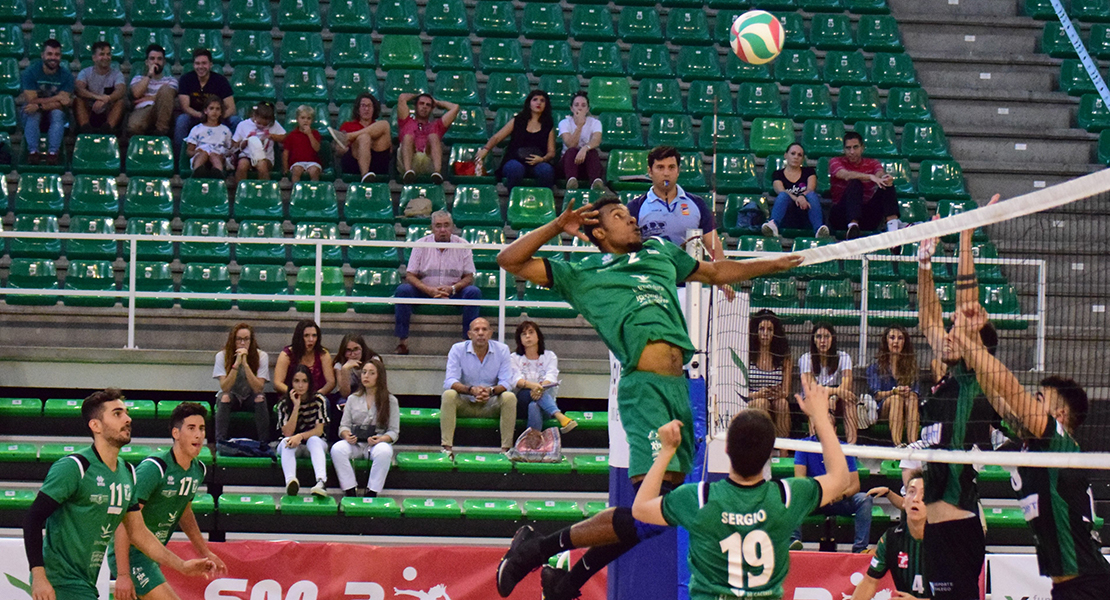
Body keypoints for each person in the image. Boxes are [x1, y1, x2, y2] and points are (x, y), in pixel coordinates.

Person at [494, 196, 801, 599]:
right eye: (620, 217)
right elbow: (508, 260)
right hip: (645, 391)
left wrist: (771, 265)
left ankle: (565, 579)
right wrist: (555, 225)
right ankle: (535, 553)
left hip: (679, 388)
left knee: (659, 514)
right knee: (651, 508)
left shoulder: (659, 252)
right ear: (598, 232)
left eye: (630, 213)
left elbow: (715, 270)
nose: (633, 221)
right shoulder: (581, 272)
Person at [631, 378, 850, 600]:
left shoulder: (699, 499)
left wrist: (666, 451)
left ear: (726, 448)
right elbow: (841, 479)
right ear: (769, 456)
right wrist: (821, 418)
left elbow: (640, 508)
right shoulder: (787, 497)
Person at [950, 307, 1110, 598]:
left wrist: (969, 341)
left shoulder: (1061, 445)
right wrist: (972, 342)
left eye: (1038, 399)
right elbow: (995, 393)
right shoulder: (1034, 445)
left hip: (1090, 584)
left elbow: (1010, 389)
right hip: (1071, 586)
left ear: (1059, 414)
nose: (1030, 404)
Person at [22, 389, 215, 600]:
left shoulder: (127, 473)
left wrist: (182, 566)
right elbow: (33, 518)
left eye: (126, 413)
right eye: (117, 414)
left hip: (85, 581)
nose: (127, 419)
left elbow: (139, 533)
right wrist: (39, 575)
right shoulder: (75, 467)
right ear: (95, 425)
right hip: (59, 581)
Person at [916, 215, 1001, 600]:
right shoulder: (946, 382)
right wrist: (925, 263)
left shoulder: (975, 378)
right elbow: (928, 318)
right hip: (933, 529)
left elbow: (966, 303)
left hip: (958, 527)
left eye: (957, 331)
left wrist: (966, 237)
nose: (947, 335)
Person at [110, 403, 229, 600]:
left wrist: (205, 552)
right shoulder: (154, 468)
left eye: (202, 428)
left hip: (154, 554)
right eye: (191, 428)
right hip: (132, 554)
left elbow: (184, 512)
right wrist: (123, 574)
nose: (199, 435)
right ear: (176, 433)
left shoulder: (198, 469)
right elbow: (124, 521)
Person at [627, 146, 732, 278]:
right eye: (660, 167)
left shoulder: (697, 204)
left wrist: (723, 279)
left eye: (671, 167)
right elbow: (627, 248)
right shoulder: (636, 207)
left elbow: (713, 245)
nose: (666, 173)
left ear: (678, 171)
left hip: (691, 284)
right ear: (650, 171)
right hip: (652, 281)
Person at [393, 210, 481, 355]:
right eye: (438, 226)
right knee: (403, 290)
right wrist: (428, 290)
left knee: (473, 292)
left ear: (452, 227)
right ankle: (402, 343)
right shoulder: (421, 244)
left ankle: (468, 344)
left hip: (453, 292)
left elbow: (469, 277)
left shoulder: (463, 245)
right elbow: (410, 275)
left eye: (446, 225)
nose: (442, 230)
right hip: (425, 292)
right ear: (432, 228)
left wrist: (452, 288)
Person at [789, 414, 873, 553]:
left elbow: (855, 485)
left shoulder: (845, 449)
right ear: (814, 428)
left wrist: (840, 495)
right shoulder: (804, 446)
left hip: (839, 499)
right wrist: (819, 493)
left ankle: (860, 549)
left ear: (834, 429)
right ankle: (794, 542)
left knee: (864, 499)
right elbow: (800, 480)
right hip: (814, 499)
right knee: (793, 494)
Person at [441, 318, 518, 456]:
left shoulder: (502, 350)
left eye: (484, 329)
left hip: (491, 403)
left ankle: (506, 450)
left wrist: (490, 391)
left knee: (509, 397)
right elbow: (450, 381)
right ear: (469, 334)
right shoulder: (457, 349)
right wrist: (471, 390)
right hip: (465, 403)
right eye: (476, 330)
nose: (481, 333)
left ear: (490, 333)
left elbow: (507, 382)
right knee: (448, 395)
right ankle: (447, 449)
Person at [851, 473, 929, 600]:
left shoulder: (947, 541)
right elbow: (869, 581)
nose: (916, 499)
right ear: (904, 502)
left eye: (924, 494)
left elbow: (962, 594)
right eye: (911, 492)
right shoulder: (891, 538)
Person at [331, 358, 400, 498]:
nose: (366, 376)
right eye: (364, 372)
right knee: (337, 449)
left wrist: (382, 438)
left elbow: (394, 431)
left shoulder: (390, 400)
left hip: (376, 443)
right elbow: (344, 426)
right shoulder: (352, 399)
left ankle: (372, 491)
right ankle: (350, 488)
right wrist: (346, 435)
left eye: (371, 373)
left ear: (379, 376)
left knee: (385, 451)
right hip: (355, 442)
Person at [476, 90, 556, 194]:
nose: (538, 103)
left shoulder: (548, 125)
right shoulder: (518, 120)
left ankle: (545, 203)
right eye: (535, 100)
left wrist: (542, 159)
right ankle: (514, 201)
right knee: (515, 169)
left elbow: (551, 152)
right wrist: (486, 149)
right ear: (529, 103)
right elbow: (497, 137)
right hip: (515, 160)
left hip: (537, 162)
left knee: (547, 171)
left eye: (542, 100)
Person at [828, 132, 903, 240]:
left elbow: (879, 173)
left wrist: (884, 178)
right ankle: (852, 227)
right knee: (855, 182)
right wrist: (870, 177)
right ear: (844, 150)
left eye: (855, 147)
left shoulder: (872, 163)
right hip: (841, 215)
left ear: (862, 148)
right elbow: (845, 175)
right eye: (848, 148)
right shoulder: (835, 161)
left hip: (866, 215)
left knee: (887, 185)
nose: (852, 152)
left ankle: (893, 228)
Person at [511, 320, 575, 434]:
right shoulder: (514, 358)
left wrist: (539, 388)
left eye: (531, 332)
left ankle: (532, 443)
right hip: (521, 402)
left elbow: (551, 376)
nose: (528, 336)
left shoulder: (549, 356)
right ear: (519, 339)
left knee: (534, 406)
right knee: (527, 394)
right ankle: (559, 416)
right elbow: (516, 380)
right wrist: (535, 386)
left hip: (544, 404)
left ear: (538, 336)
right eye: (524, 334)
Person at [799, 322, 858, 444]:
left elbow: (846, 385)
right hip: (814, 399)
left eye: (827, 337)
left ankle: (852, 450)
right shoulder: (806, 358)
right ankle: (817, 446)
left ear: (833, 339)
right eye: (819, 337)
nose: (822, 341)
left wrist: (834, 397)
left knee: (850, 403)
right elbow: (812, 389)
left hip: (838, 400)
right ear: (813, 340)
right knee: (815, 406)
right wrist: (834, 393)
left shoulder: (844, 357)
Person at [213, 323, 270, 443]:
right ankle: (220, 441)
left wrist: (245, 364)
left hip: (250, 395)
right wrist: (236, 364)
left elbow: (258, 388)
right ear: (233, 340)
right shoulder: (222, 356)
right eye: (239, 339)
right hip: (232, 394)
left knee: (260, 398)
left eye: (246, 339)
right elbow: (225, 387)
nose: (243, 343)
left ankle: (264, 443)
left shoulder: (261, 356)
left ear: (251, 340)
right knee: (225, 398)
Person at [277, 365, 329, 496]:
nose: (300, 385)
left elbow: (318, 430)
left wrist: (299, 436)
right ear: (291, 383)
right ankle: (290, 482)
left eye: (304, 381)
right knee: (285, 442)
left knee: (314, 440)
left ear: (310, 383)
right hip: (292, 446)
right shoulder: (283, 403)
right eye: (296, 381)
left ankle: (321, 482)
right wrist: (296, 406)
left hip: (313, 444)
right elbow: (287, 432)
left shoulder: (319, 400)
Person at [20, 39, 73, 165]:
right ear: (42, 55)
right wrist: (56, 98)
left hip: (53, 114)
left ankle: (53, 154)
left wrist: (39, 105)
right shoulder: (30, 72)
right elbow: (31, 100)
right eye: (50, 54)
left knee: (57, 113)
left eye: (57, 54)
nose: (53, 58)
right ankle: (33, 152)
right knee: (32, 112)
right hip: (33, 113)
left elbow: (63, 103)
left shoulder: (66, 76)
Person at [174, 48, 238, 152]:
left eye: (204, 63)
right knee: (182, 120)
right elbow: (185, 107)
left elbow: (231, 107)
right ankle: (180, 159)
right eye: (197, 63)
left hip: (217, 116)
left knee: (236, 121)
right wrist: (203, 116)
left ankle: (234, 156)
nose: (200, 67)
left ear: (210, 64)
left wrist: (216, 117)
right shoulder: (186, 79)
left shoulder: (220, 80)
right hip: (195, 116)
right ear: (193, 65)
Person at [866, 325, 921, 446]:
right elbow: (877, 395)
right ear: (886, 341)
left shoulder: (911, 366)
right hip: (884, 409)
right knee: (896, 399)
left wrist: (906, 392)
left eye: (900, 338)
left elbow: (916, 392)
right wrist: (894, 392)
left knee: (912, 398)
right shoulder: (876, 367)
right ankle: (898, 445)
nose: (896, 341)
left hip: (907, 406)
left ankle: (913, 445)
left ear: (905, 342)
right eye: (892, 337)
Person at [762, 143, 830, 239]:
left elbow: (810, 188)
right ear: (786, 155)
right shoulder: (778, 174)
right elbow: (780, 191)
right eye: (793, 153)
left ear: (802, 159)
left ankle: (819, 229)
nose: (796, 157)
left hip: (806, 212)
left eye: (799, 155)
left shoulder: (809, 171)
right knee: (783, 195)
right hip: (787, 214)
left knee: (811, 195)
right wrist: (798, 198)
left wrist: (802, 196)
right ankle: (773, 225)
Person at [747, 309, 792, 440]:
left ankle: (783, 452)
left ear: (775, 333)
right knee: (762, 403)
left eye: (769, 330)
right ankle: (763, 450)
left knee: (782, 404)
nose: (765, 334)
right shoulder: (747, 354)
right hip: (752, 399)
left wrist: (778, 393)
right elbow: (739, 392)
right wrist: (758, 394)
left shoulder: (784, 356)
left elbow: (786, 392)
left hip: (776, 400)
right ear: (755, 331)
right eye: (761, 329)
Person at [396, 92, 459, 184]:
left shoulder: (436, 125)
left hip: (428, 162)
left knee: (433, 136)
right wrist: (417, 95)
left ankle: (437, 173)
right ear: (416, 106)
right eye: (421, 103)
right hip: (409, 159)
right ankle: (408, 173)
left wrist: (437, 102)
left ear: (432, 108)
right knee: (408, 137)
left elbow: (455, 108)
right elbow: (402, 98)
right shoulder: (406, 121)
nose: (424, 107)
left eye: (428, 105)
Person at [334, 93, 391, 182]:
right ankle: (365, 175)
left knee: (385, 124)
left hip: (377, 162)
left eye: (369, 106)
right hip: (355, 164)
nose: (366, 109)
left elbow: (389, 150)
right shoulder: (347, 126)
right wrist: (341, 149)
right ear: (358, 109)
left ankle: (351, 136)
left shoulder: (378, 126)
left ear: (374, 109)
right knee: (364, 137)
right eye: (363, 106)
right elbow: (338, 151)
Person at [274, 319, 335, 397]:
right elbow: (277, 383)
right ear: (299, 337)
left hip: (316, 397)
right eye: (306, 336)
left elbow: (330, 383)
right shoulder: (287, 355)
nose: (311, 340)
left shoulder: (323, 354)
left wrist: (315, 395)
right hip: (291, 397)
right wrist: (297, 394)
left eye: (314, 335)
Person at [74, 41, 125, 134]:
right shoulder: (85, 72)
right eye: (102, 54)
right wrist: (98, 97)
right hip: (90, 110)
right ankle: (86, 130)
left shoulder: (117, 74)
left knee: (120, 102)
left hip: (107, 112)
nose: (106, 57)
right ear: (94, 58)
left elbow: (121, 90)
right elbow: (79, 89)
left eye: (108, 54)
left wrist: (108, 98)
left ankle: (107, 129)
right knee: (78, 100)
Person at [127, 44, 177, 138]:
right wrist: (149, 75)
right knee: (134, 127)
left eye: (159, 59)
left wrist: (146, 98)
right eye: (152, 59)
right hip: (142, 110)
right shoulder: (138, 79)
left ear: (164, 62)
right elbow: (137, 94)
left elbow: (169, 97)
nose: (156, 62)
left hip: (162, 111)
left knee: (166, 90)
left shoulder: (171, 80)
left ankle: (161, 133)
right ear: (147, 62)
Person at [557, 92, 604, 191]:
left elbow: (596, 140)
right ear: (571, 108)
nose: (580, 108)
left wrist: (584, 148)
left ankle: (595, 183)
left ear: (587, 109)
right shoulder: (564, 123)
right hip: (568, 164)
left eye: (583, 105)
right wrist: (579, 125)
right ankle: (571, 181)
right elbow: (570, 144)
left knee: (592, 152)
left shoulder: (595, 123)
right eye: (576, 105)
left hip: (586, 164)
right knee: (572, 151)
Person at [232, 101, 286, 184]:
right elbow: (234, 144)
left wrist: (271, 136)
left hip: (265, 157)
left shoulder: (274, 125)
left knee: (262, 166)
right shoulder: (243, 125)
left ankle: (264, 192)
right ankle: (240, 192)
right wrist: (245, 142)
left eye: (265, 124)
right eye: (259, 123)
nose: (262, 126)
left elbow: (285, 138)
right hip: (246, 155)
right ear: (254, 116)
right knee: (242, 165)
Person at [185, 94, 234, 179]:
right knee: (203, 154)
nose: (214, 111)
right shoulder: (197, 129)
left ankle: (218, 175)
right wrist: (196, 152)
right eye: (211, 108)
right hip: (200, 155)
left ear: (221, 112)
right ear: (205, 111)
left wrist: (224, 154)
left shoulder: (225, 130)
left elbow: (230, 150)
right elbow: (189, 151)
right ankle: (197, 174)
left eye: (217, 109)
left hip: (218, 155)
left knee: (213, 156)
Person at [283, 104, 323, 182]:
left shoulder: (315, 133)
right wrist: (285, 168)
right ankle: (296, 191)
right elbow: (286, 153)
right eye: (302, 118)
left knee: (314, 171)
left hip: (313, 162)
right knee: (296, 171)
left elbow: (317, 148)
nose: (305, 120)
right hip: (297, 162)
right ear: (297, 119)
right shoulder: (292, 135)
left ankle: (314, 192)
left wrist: (309, 134)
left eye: (308, 118)